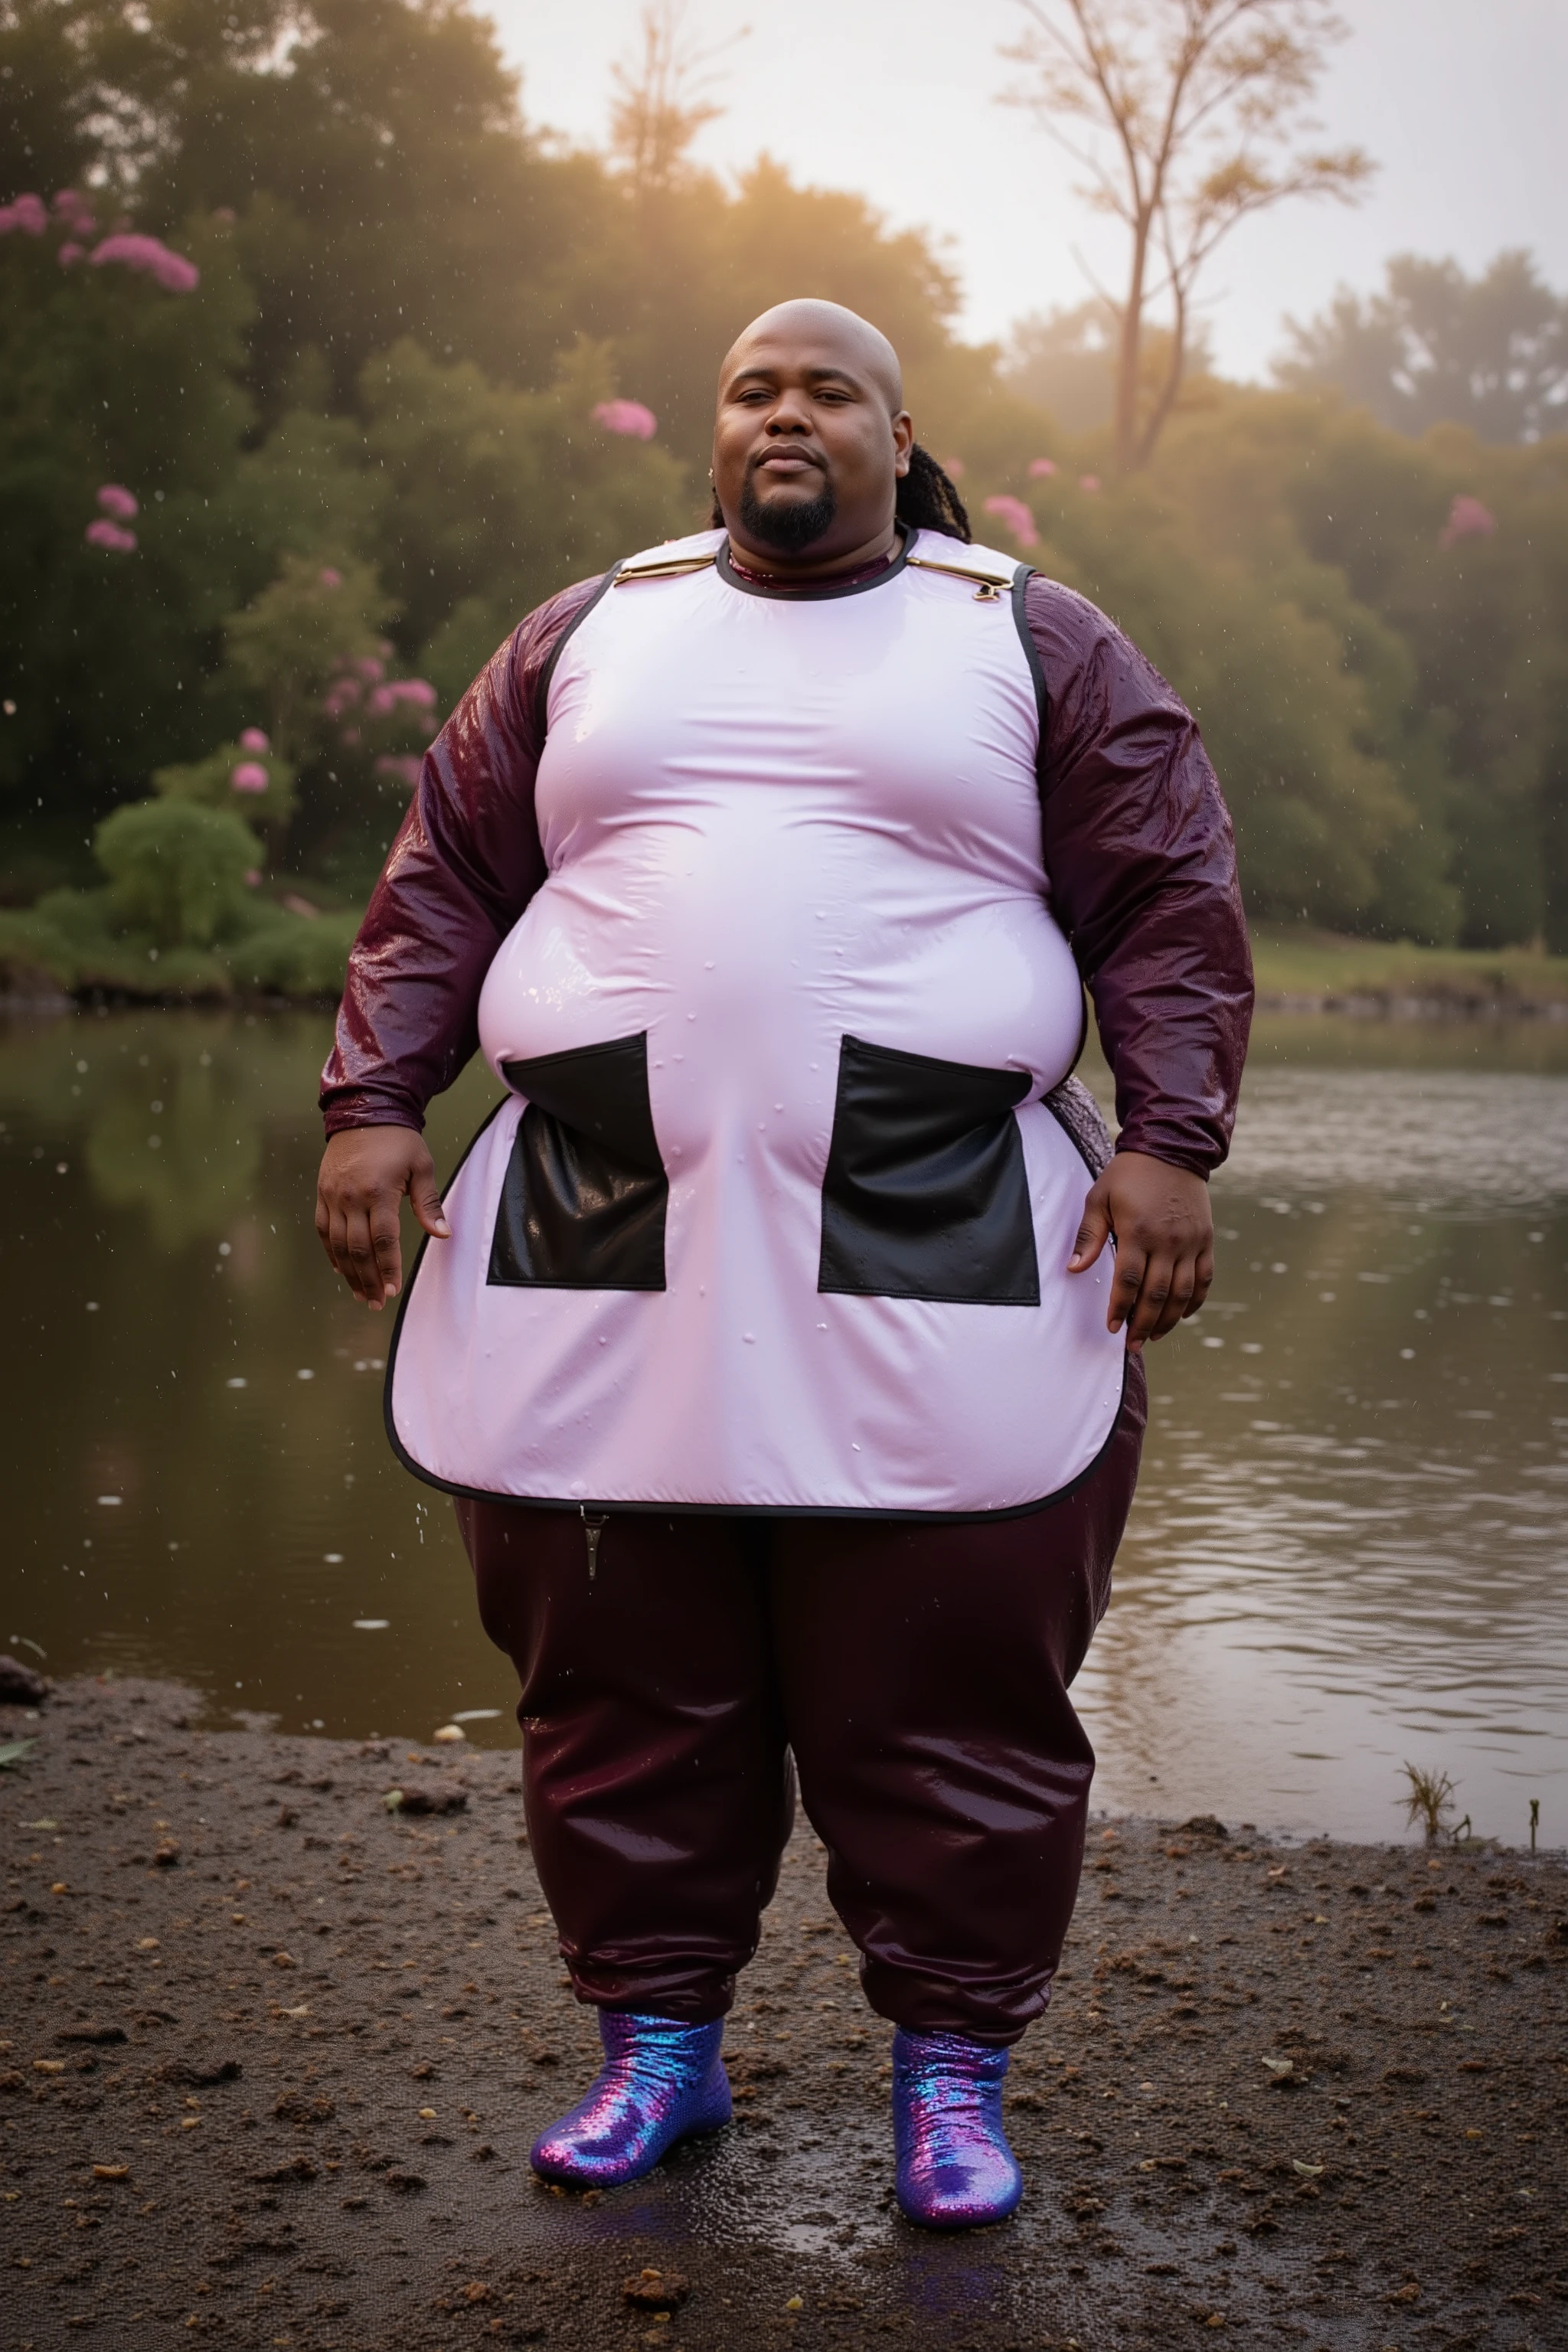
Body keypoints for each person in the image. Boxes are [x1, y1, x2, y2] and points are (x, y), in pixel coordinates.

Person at [315, 299, 1252, 2230]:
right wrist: (371, 1100)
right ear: (713, 436)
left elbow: (1165, 891)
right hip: (596, 1221)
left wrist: (1169, 1140)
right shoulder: (588, 634)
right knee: (617, 1686)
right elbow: (445, 877)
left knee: (952, 1688)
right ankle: (657, 2052)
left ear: (904, 435)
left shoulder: (1026, 634)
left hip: (943, 1230)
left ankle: (949, 2081)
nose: (786, 413)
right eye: (754, 388)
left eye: (829, 387)